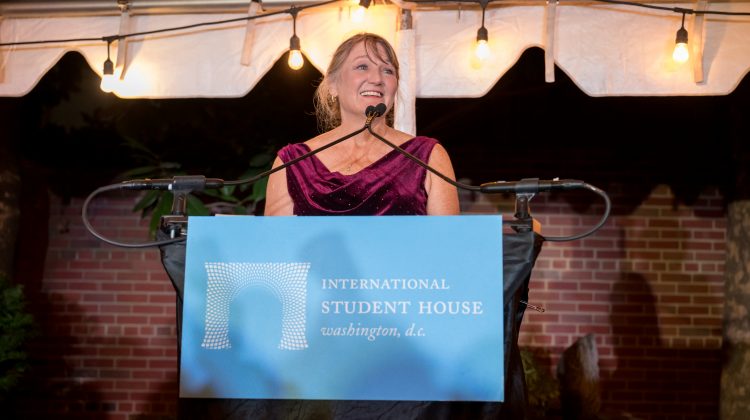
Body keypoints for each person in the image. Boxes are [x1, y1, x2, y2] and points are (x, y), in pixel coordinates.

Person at [264, 33, 459, 216]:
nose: (377, 79)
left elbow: (448, 239)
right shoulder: (292, 164)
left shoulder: (428, 157)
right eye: (362, 67)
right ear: (332, 84)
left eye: (388, 70)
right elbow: (276, 239)